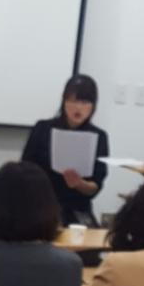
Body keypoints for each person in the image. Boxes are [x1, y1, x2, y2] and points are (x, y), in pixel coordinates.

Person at [21, 74, 110, 227]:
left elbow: (95, 186)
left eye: (85, 102)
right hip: (41, 204)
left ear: (93, 106)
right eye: (73, 101)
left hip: (78, 208)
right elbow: (24, 169)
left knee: (89, 238)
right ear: (64, 101)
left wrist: (79, 184)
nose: (78, 108)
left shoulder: (99, 136)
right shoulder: (43, 129)